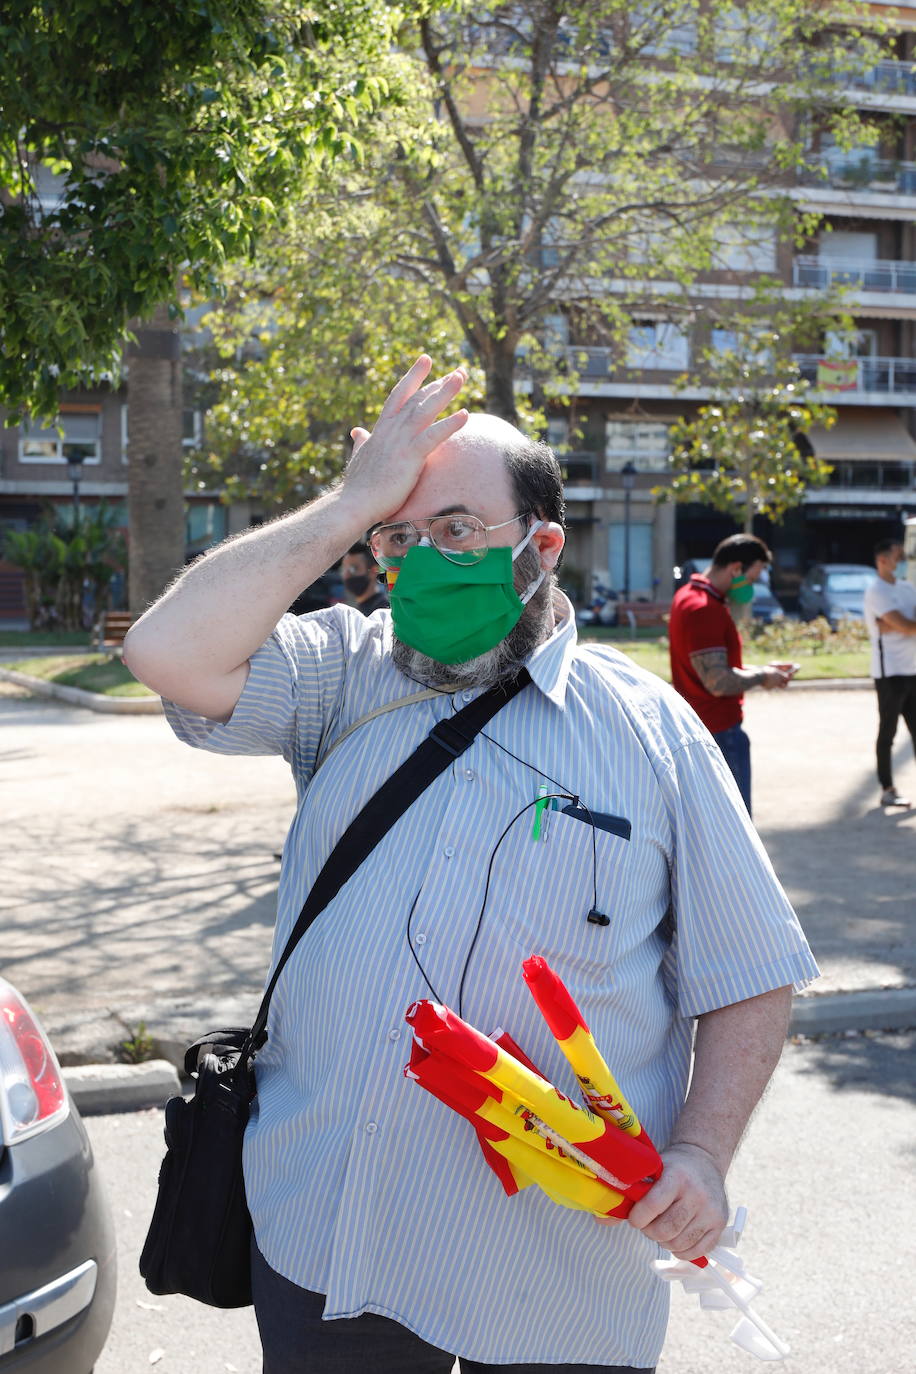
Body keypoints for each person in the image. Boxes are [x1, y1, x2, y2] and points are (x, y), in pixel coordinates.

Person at [124, 357, 817, 1374]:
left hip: (556, 1273)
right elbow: (167, 650)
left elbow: (751, 973)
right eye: (399, 537)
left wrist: (702, 1159)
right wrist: (348, 505)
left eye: (455, 529)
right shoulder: (341, 675)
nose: (419, 558)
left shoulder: (651, 735)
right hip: (329, 1235)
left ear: (540, 548)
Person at [668, 534, 795, 814]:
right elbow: (718, 682)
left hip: (703, 728)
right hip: (719, 733)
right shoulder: (704, 608)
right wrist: (762, 678)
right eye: (752, 577)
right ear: (735, 568)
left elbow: (710, 670)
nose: (752, 586)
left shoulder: (688, 596)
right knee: (735, 829)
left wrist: (764, 670)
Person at [863, 536, 916, 808]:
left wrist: (898, 625)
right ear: (882, 560)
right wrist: (900, 625)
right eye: (898, 557)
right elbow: (906, 625)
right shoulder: (876, 591)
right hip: (889, 673)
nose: (903, 561)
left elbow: (904, 624)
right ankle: (887, 788)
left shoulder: (907, 588)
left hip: (913, 669)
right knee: (888, 733)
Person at [341, 540, 388, 615]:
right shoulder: (356, 612)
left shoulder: (383, 612)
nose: (346, 575)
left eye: (353, 569)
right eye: (344, 569)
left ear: (373, 571)